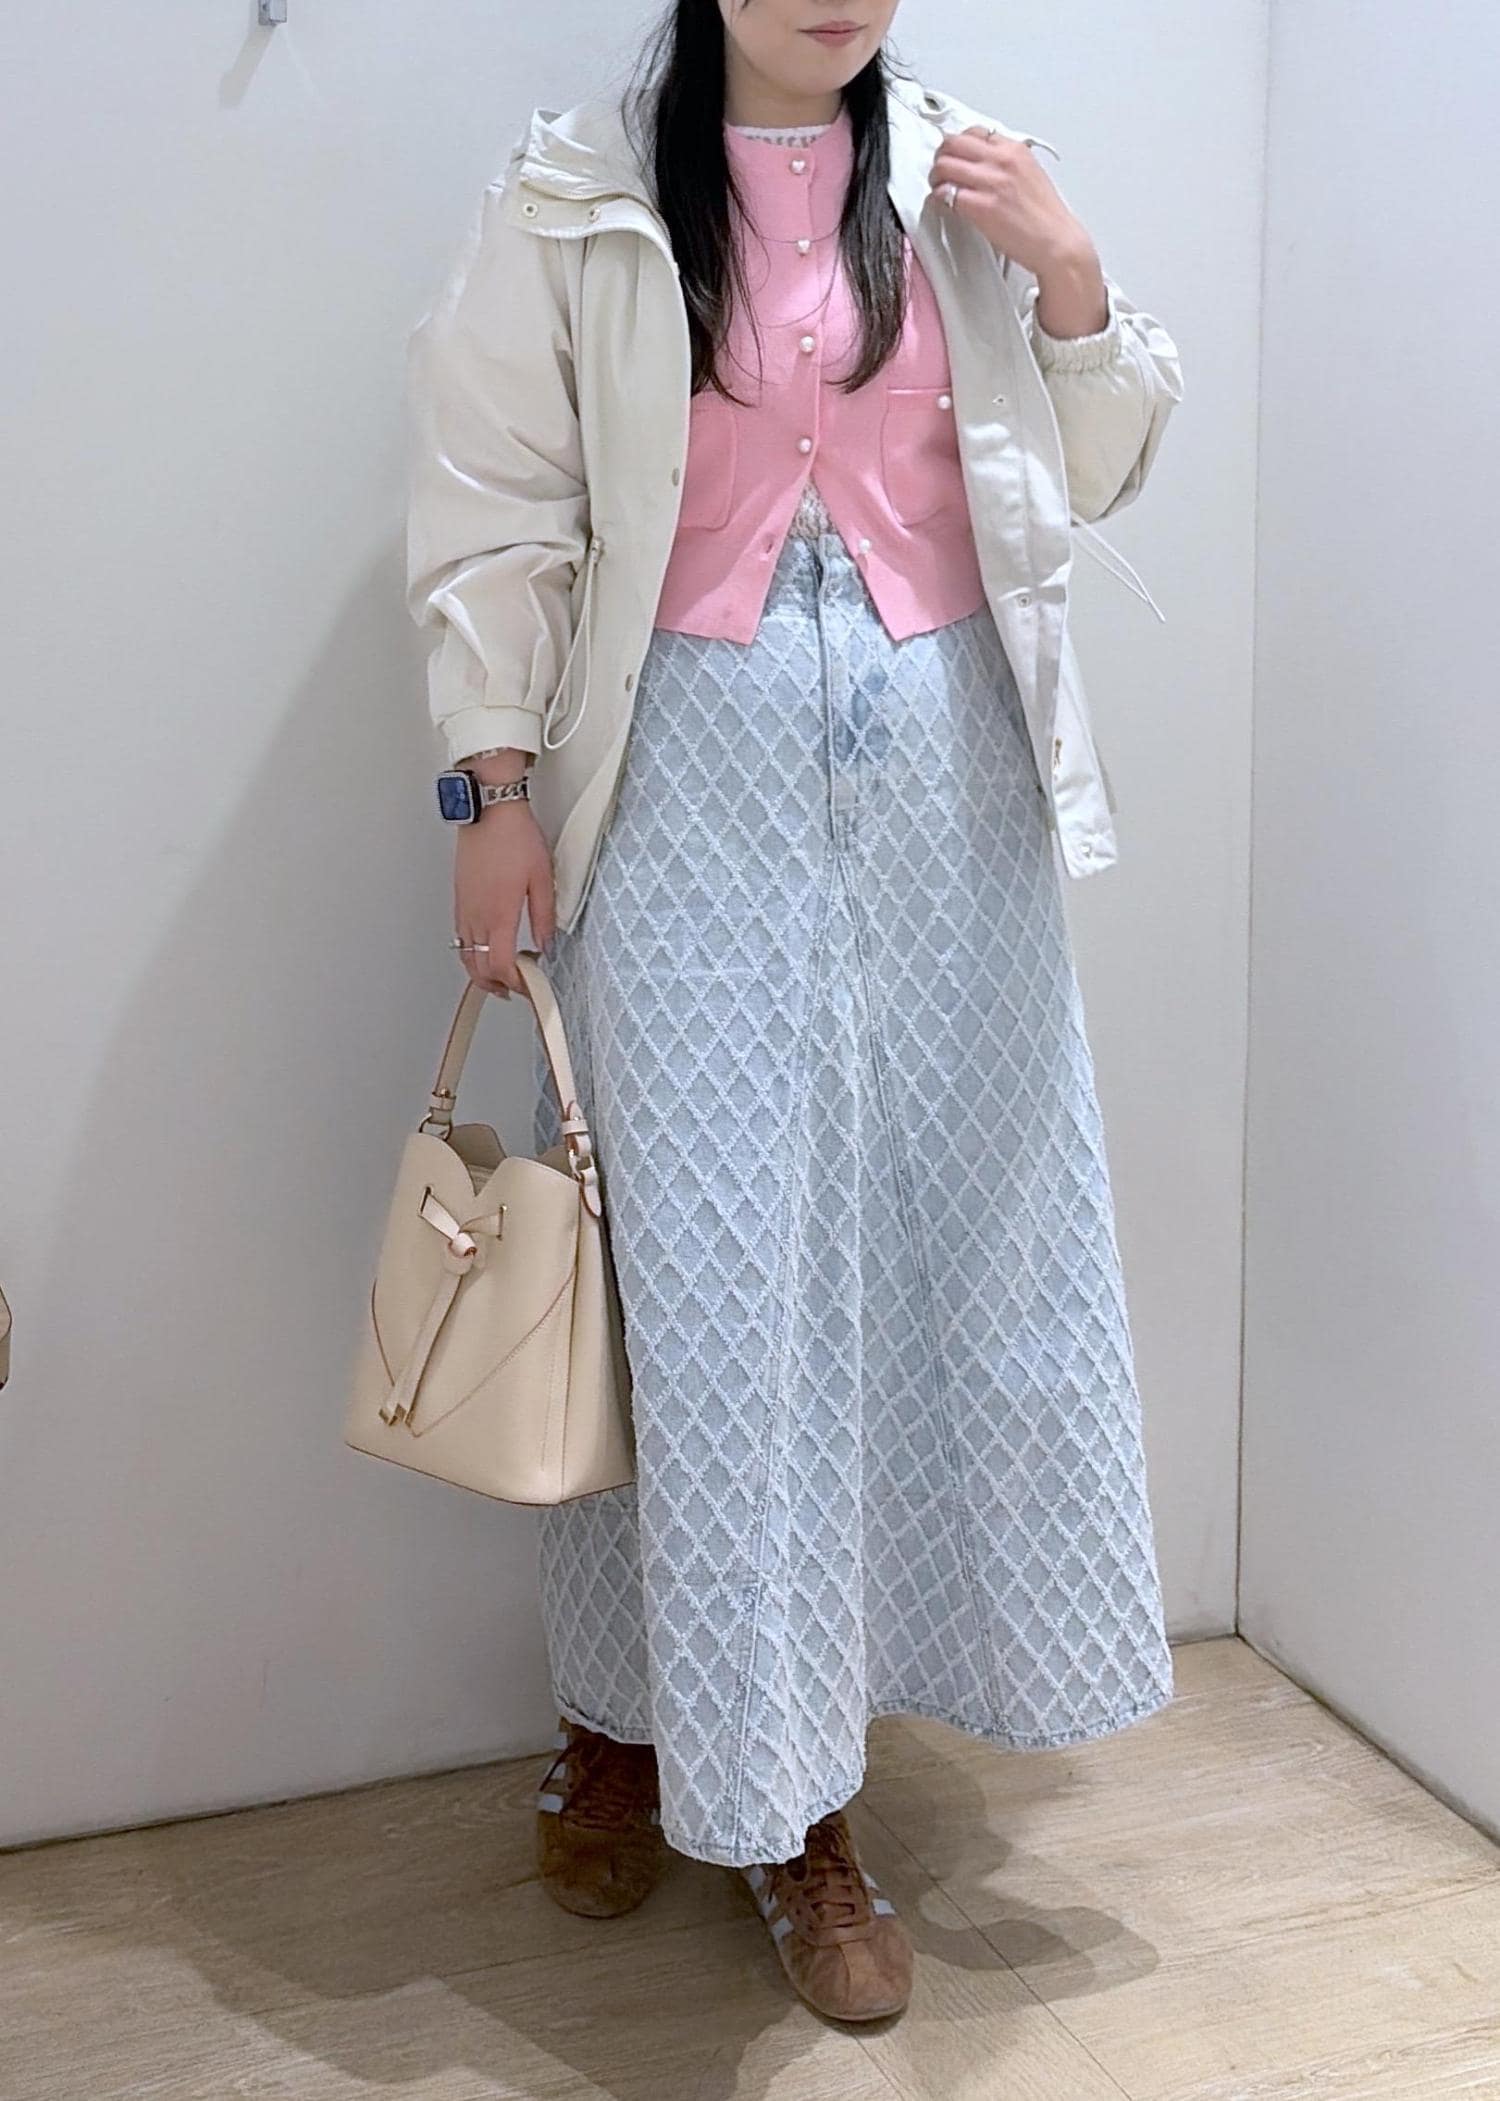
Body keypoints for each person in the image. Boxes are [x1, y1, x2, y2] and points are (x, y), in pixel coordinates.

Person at [405, 0, 1182, 2026]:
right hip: (683, 786)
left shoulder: (966, 171)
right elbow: (496, 500)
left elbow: (1094, 469)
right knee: (696, 1282)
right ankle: (646, 1729)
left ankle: (807, 1778)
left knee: (945, 1266)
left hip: (949, 792)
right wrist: (489, 785)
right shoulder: (579, 190)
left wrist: (1075, 281)